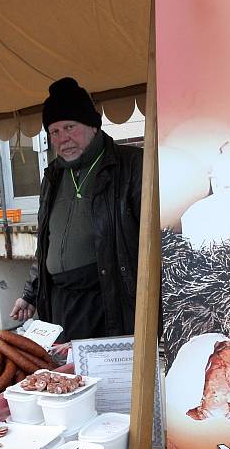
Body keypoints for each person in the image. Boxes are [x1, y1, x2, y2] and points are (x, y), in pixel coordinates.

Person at [11, 77, 143, 342]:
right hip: (61, 303)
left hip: (107, 302)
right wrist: (30, 293)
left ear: (93, 126)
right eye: (55, 131)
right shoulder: (53, 176)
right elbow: (46, 243)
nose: (63, 139)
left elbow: (151, 241)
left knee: (104, 380)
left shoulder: (130, 165)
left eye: (70, 127)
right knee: (69, 377)